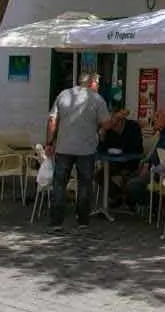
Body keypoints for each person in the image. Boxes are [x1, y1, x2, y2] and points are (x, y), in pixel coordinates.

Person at [46, 73, 118, 232]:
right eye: (97, 83)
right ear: (92, 83)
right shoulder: (97, 99)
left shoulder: (63, 95)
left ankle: (56, 221)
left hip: (63, 148)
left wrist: (49, 142)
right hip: (86, 150)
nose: (98, 86)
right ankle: (83, 221)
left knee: (59, 184)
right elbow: (106, 124)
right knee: (84, 185)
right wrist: (107, 124)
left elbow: (52, 120)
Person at [126, 110, 165, 209]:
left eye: (157, 117)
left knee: (133, 185)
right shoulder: (163, 133)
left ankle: (161, 205)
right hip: (158, 171)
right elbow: (155, 155)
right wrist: (146, 162)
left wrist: (148, 166)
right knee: (128, 177)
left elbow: (162, 156)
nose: (154, 119)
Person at [99, 110, 144, 206]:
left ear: (121, 121)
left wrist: (121, 151)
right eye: (111, 123)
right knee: (99, 176)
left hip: (133, 162)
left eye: (114, 123)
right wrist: (102, 137)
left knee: (126, 175)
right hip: (116, 162)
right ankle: (119, 196)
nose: (112, 126)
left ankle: (124, 197)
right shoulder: (110, 130)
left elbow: (137, 149)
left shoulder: (133, 127)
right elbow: (102, 150)